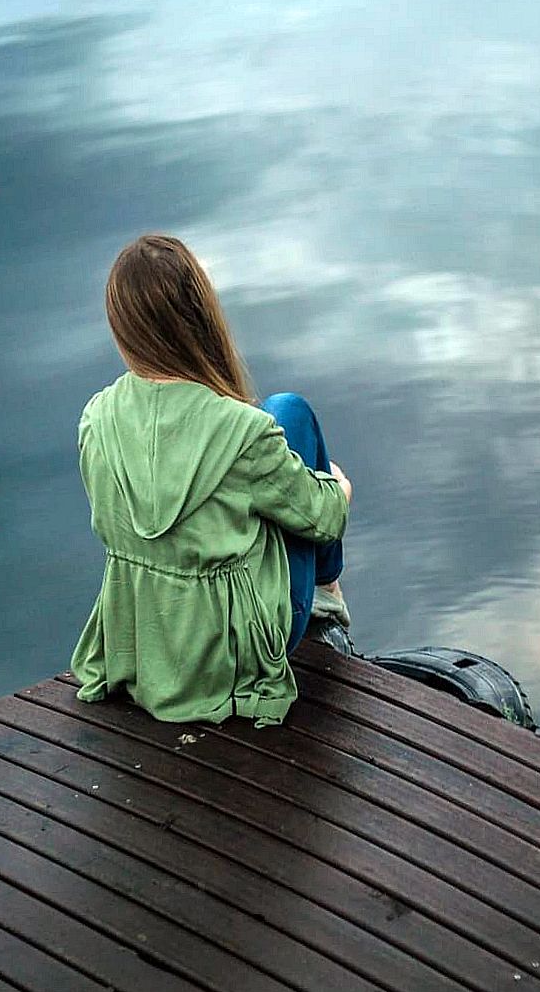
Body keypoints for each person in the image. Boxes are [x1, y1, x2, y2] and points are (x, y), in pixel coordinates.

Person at [70, 233, 352, 728]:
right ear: (200, 318)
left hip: (144, 650)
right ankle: (328, 589)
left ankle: (322, 588)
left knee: (274, 432)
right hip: (233, 660)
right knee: (289, 411)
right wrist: (339, 490)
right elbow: (325, 520)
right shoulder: (243, 431)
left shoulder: (96, 418)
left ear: (122, 328)